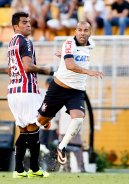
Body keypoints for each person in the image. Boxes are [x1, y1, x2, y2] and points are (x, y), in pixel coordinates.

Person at [36, 21, 104, 165]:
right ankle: (28, 140)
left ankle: (61, 147)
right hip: (58, 89)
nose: (82, 33)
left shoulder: (92, 44)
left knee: (79, 119)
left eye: (86, 30)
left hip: (77, 90)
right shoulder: (69, 43)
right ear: (75, 31)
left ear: (90, 32)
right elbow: (70, 65)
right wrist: (88, 71)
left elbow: (74, 57)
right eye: (79, 30)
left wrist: (64, 55)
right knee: (40, 121)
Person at [7, 11, 51, 178]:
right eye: (24, 22)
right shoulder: (25, 42)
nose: (28, 25)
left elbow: (10, 69)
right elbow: (27, 67)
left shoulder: (11, 43)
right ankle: (34, 169)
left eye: (29, 22)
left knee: (24, 131)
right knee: (33, 129)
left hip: (13, 92)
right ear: (16, 26)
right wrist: (45, 69)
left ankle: (18, 170)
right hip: (26, 91)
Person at [56, 106, 85, 172]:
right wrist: (58, 127)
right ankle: (66, 168)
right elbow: (57, 117)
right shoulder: (60, 101)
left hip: (74, 130)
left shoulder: (77, 100)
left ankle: (81, 167)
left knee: (78, 149)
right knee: (63, 150)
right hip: (63, 130)